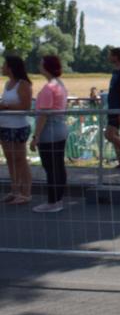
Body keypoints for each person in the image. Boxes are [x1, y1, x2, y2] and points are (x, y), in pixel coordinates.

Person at [29, 55, 69, 213]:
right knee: (58, 166)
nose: (39, 66)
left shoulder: (48, 88)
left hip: (49, 132)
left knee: (51, 168)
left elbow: (43, 115)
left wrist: (36, 136)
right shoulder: (60, 84)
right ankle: (58, 199)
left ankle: (53, 202)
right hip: (60, 129)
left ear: (47, 67)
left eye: (41, 64)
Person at [0, 55, 33, 205]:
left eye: (4, 65)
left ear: (11, 68)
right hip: (4, 126)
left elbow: (25, 106)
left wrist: (5, 106)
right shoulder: (8, 83)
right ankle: (15, 190)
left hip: (18, 127)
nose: (2, 67)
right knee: (10, 159)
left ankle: (26, 192)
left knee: (20, 160)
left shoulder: (23, 84)